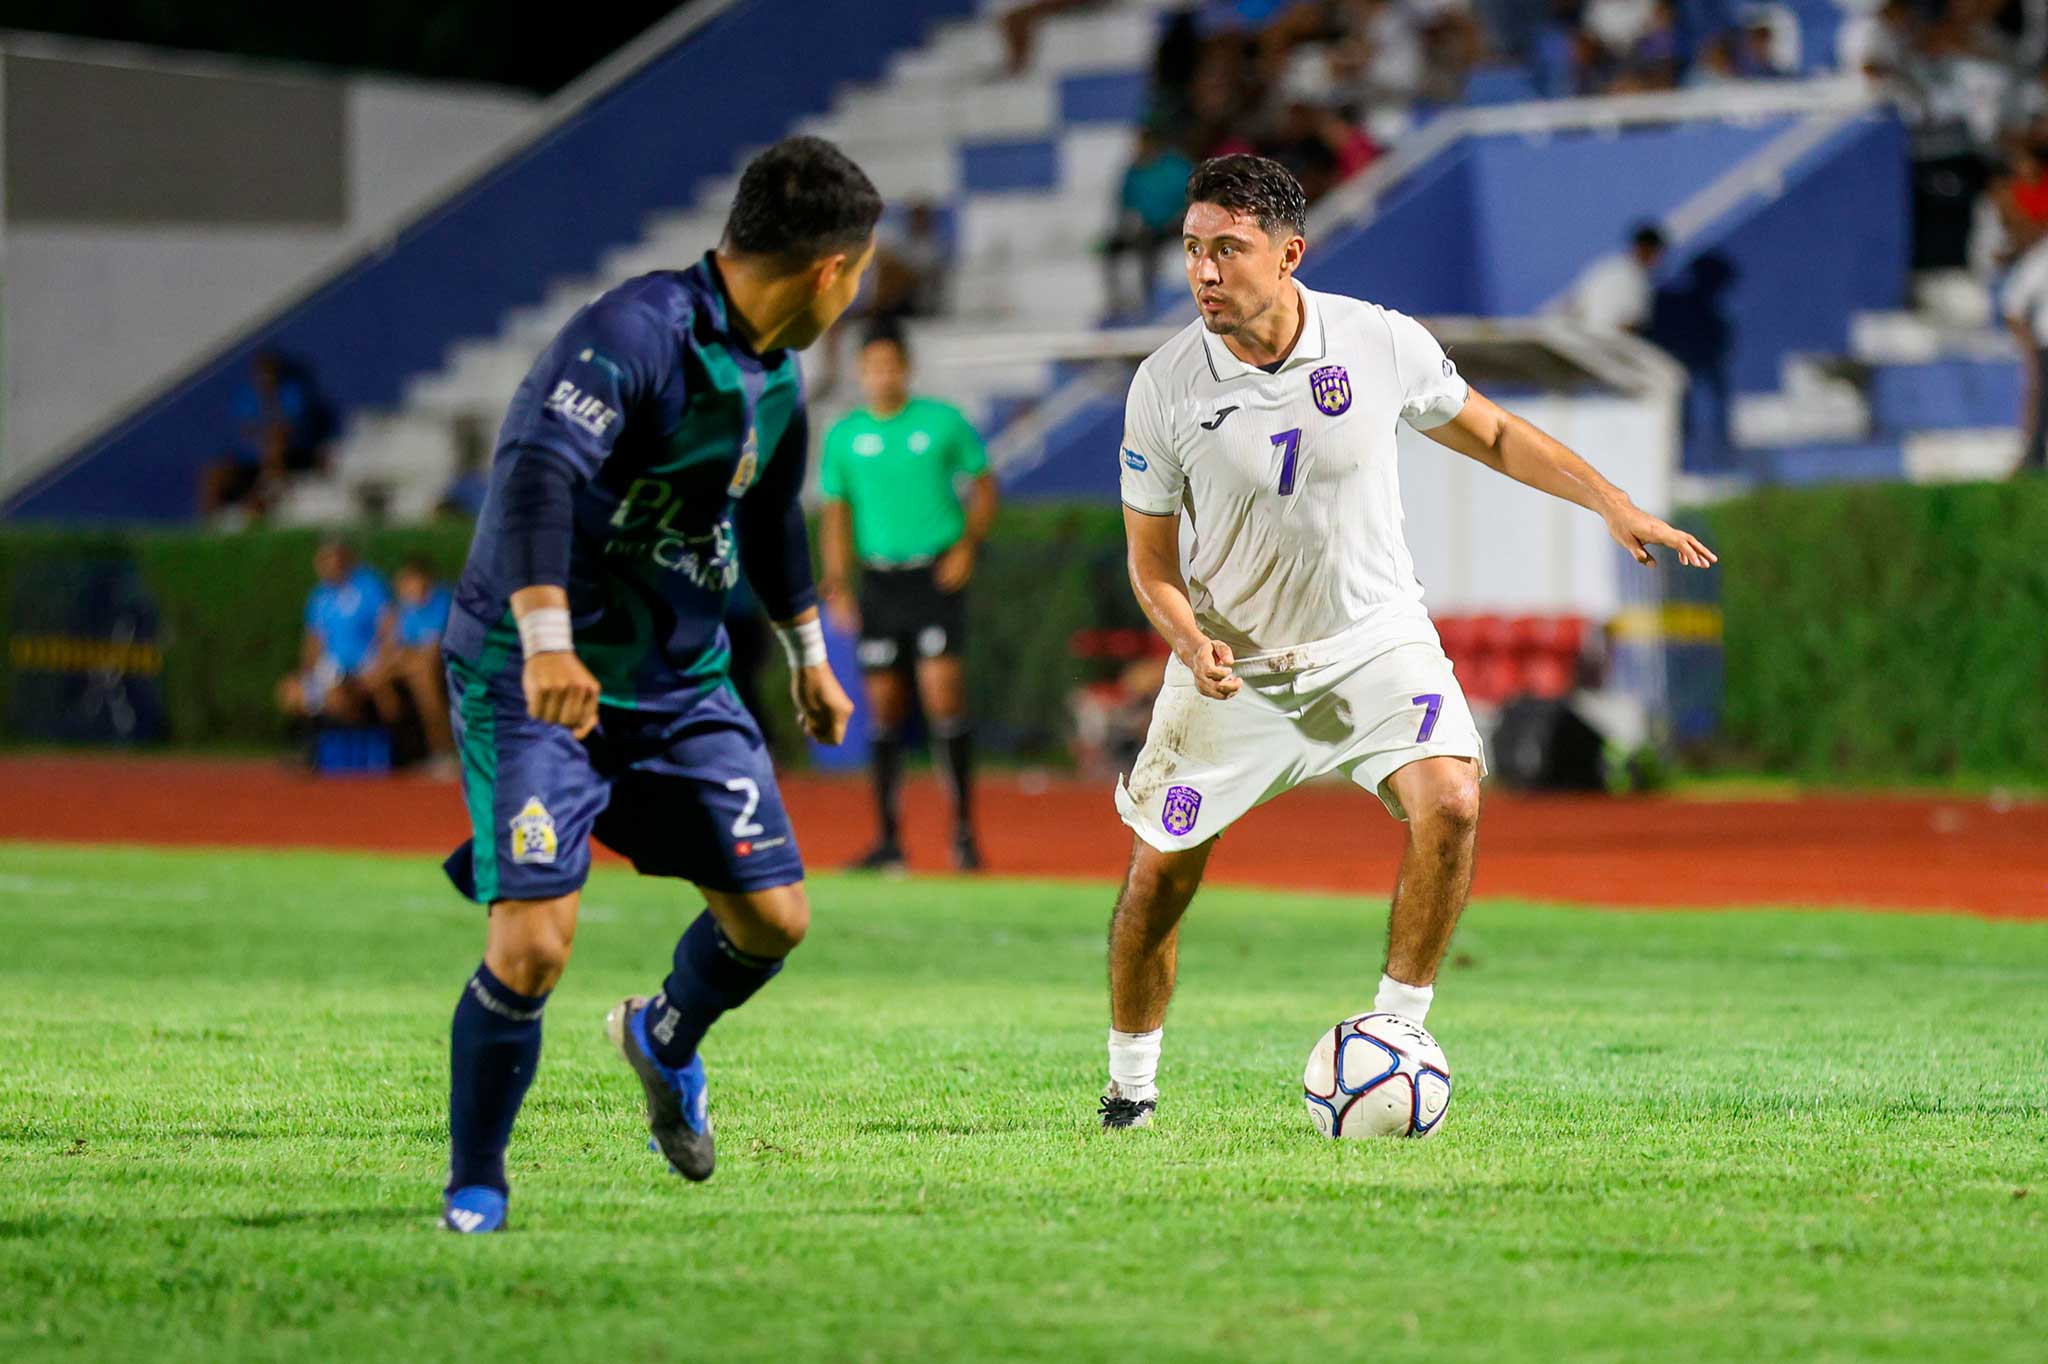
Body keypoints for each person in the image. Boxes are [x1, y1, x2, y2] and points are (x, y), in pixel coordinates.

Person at [1099, 155, 1714, 1129]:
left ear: (1288, 254)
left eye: (1228, 249)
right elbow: (1150, 561)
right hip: (1235, 670)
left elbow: (1494, 433)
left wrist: (1610, 501)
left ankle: (1396, 1034)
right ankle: (1128, 1085)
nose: (1204, 272)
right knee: (1157, 877)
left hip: (1373, 639)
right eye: (1191, 250)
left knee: (1453, 799)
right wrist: (1187, 637)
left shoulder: (1375, 341)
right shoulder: (1165, 384)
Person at [433, 136, 874, 1232]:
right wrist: (545, 639)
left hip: (678, 683)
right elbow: (537, 470)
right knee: (533, 942)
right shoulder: (634, 334)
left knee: (772, 918)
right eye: (858, 272)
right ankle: (475, 1188)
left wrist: (808, 655)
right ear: (829, 268)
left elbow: (768, 513)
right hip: (538, 677)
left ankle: (661, 1037)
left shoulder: (776, 377)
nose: (856, 291)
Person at [820, 318, 997, 872]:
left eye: (890, 364)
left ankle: (964, 833)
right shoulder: (845, 436)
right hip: (879, 581)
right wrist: (839, 583)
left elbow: (984, 483)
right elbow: (836, 512)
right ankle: (889, 839)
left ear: (906, 368)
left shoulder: (941, 423)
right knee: (885, 711)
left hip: (932, 576)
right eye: (871, 366)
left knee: (944, 696)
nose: (881, 375)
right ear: (860, 372)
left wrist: (967, 544)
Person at [199, 350, 330, 517]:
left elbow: (289, 427)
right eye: (262, 373)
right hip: (251, 460)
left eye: (270, 372)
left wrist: (267, 426)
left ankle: (268, 495)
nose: (266, 377)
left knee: (275, 442)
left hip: (291, 456)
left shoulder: (292, 393)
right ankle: (209, 525)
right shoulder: (246, 396)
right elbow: (245, 430)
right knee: (213, 474)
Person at [275, 538, 390, 728]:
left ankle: (364, 743)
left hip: (362, 666)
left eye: (328, 559)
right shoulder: (319, 596)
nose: (323, 566)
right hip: (330, 667)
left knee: (337, 695)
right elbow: (314, 641)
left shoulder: (368, 585)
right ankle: (311, 745)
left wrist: (380, 664)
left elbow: (387, 628)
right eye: (320, 561)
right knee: (289, 692)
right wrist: (305, 673)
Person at [363, 556, 456, 767]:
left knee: (423, 679)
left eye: (409, 581)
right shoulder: (405, 609)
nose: (405, 587)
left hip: (450, 669)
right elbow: (392, 648)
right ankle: (402, 750)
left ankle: (445, 750)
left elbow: (432, 652)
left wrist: (399, 661)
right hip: (412, 667)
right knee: (377, 680)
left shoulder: (442, 601)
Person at [1560, 222, 1667, 334]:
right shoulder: (1637, 280)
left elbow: (1573, 304)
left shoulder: (1606, 266)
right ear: (1647, 249)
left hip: (1582, 335)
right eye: (1657, 253)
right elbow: (1630, 324)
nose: (1658, 260)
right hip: (1604, 342)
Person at [2000, 229, 2048, 474]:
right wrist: (2027, 345)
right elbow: (2012, 304)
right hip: (2045, 347)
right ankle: (2033, 462)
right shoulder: (2043, 257)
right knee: (2040, 407)